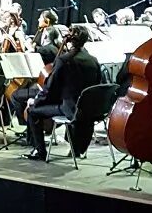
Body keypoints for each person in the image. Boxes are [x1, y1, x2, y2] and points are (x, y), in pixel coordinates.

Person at [25, 26, 102, 161]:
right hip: (89, 109)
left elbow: (50, 87)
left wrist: (36, 101)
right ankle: (76, 149)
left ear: (70, 41)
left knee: (32, 111)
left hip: (70, 109)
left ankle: (40, 151)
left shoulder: (64, 60)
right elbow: (98, 84)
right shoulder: (93, 60)